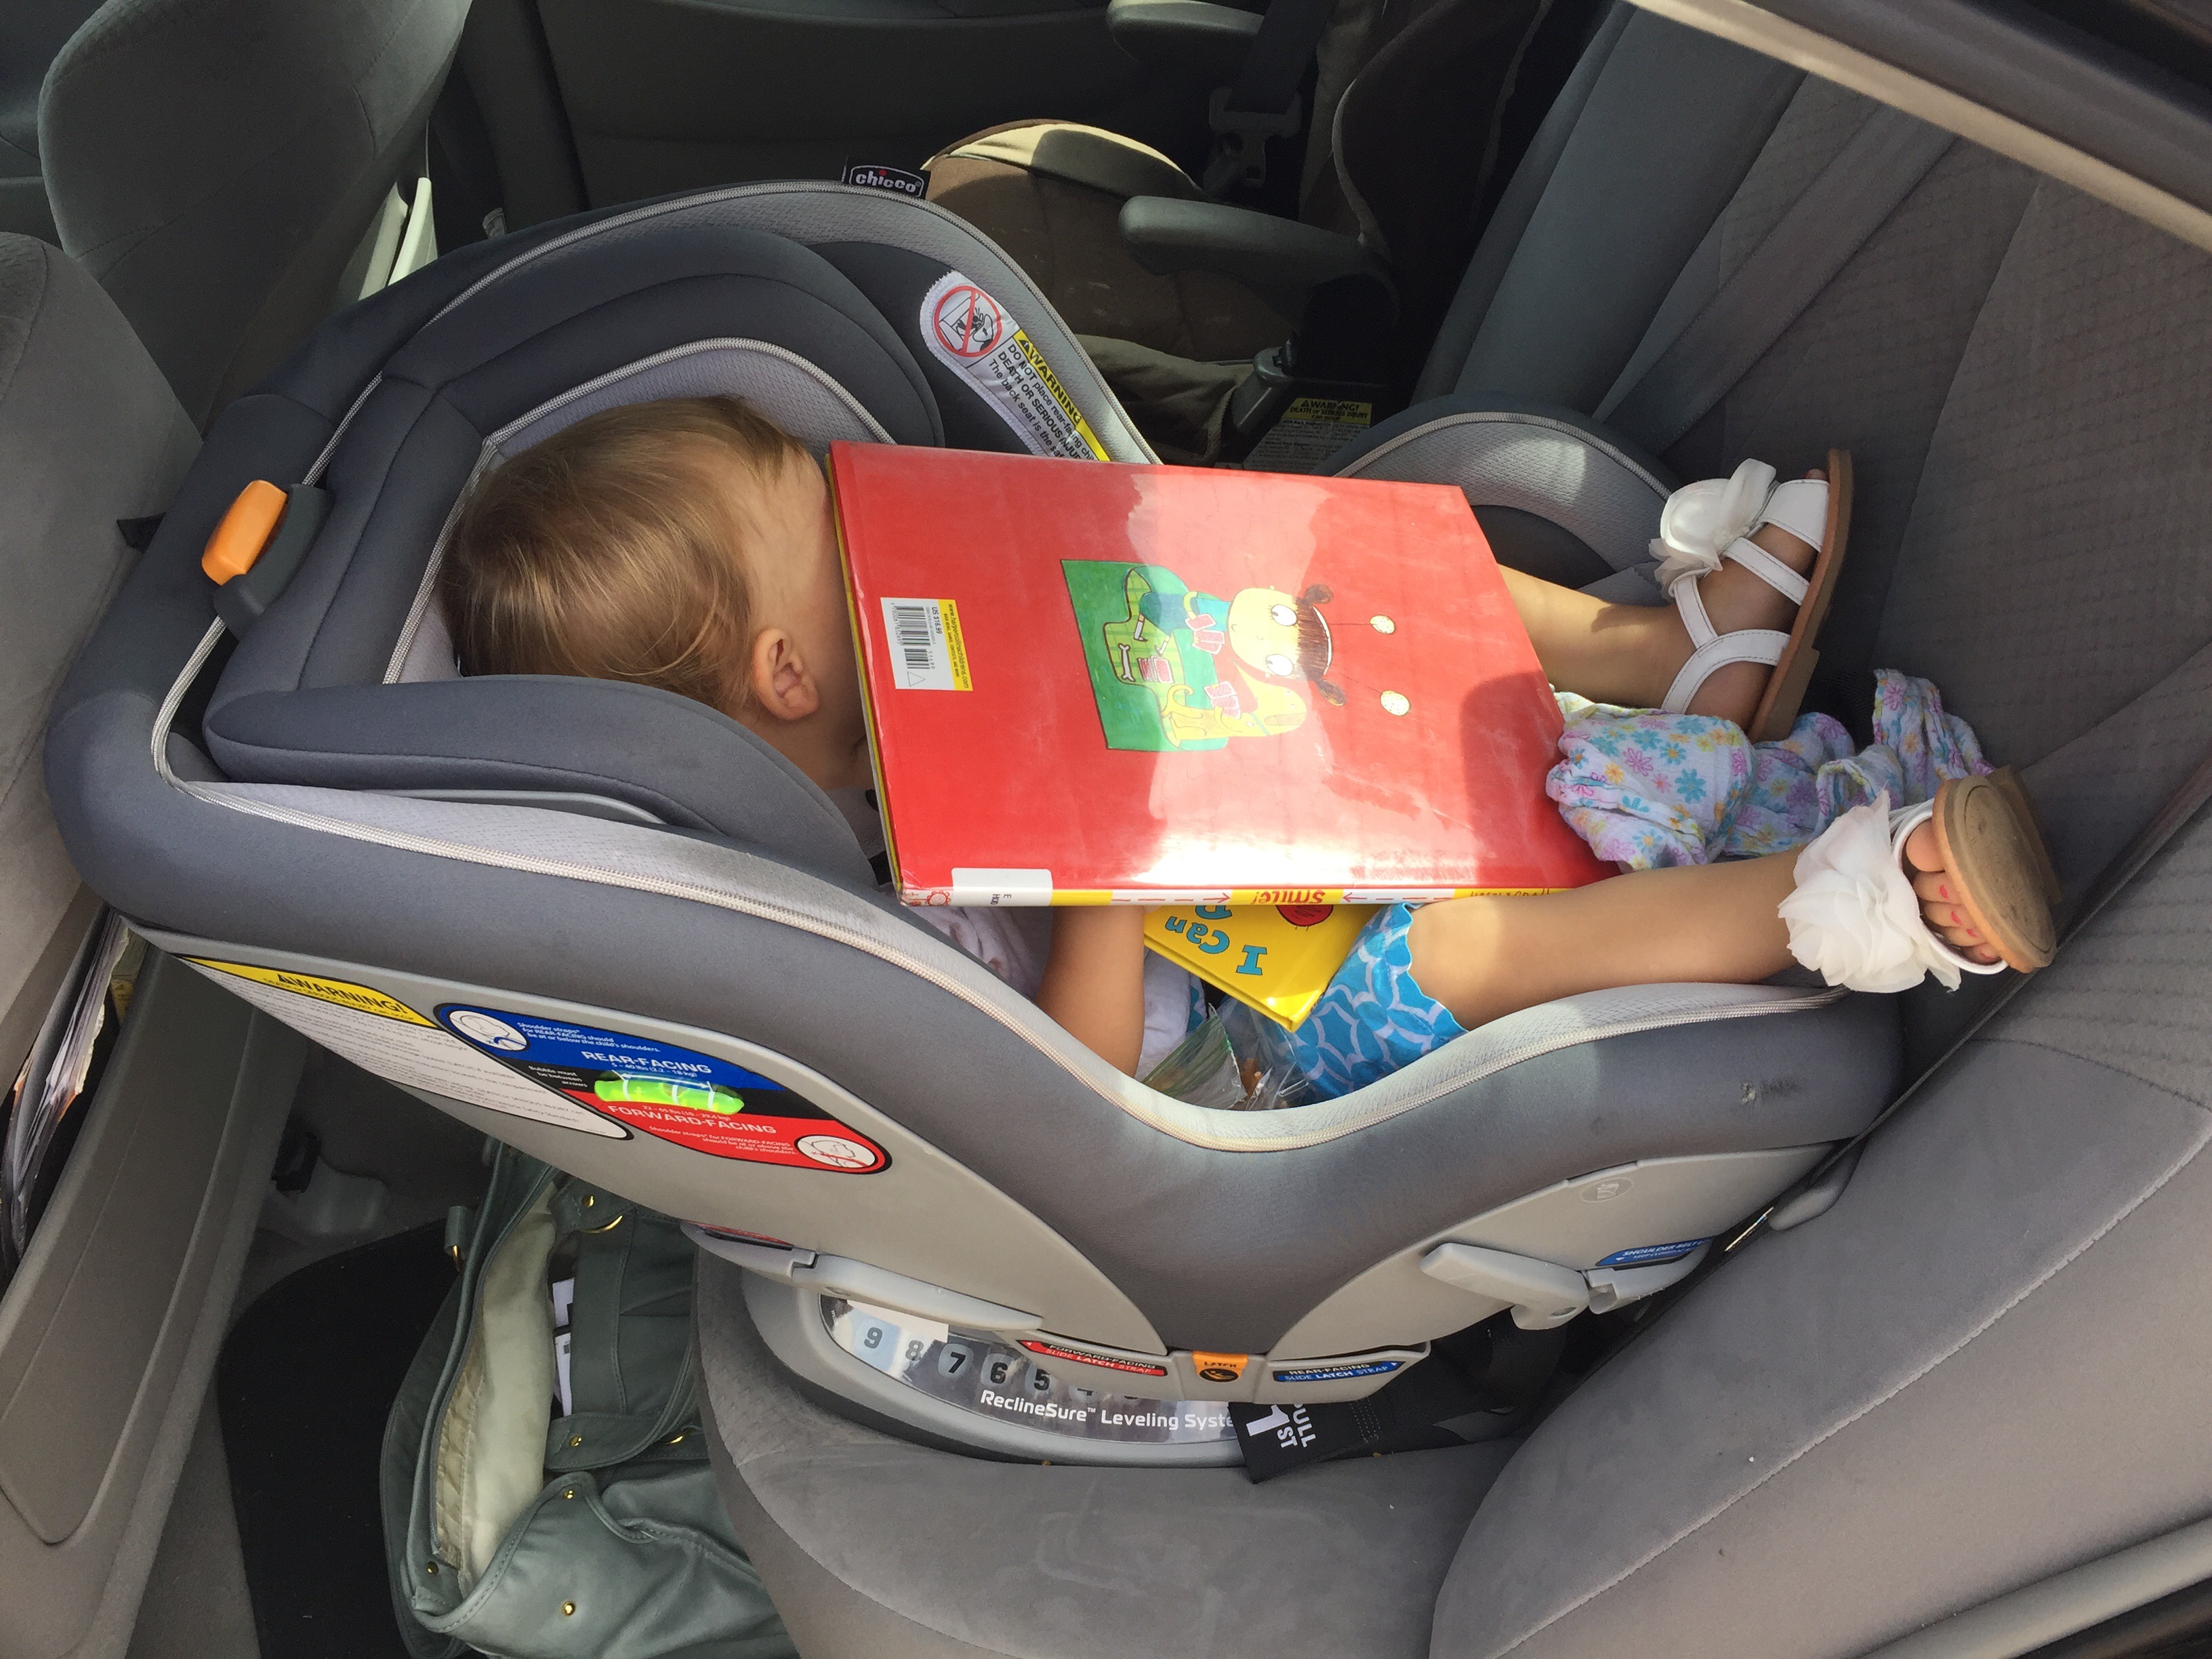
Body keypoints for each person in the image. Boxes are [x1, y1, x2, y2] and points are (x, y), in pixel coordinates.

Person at [439, 396, 2053, 1099]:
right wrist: (1098, 868)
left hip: (1284, 789)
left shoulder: (951, 627)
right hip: (1269, 1010)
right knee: (1471, 952)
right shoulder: (881, 906)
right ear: (787, 672)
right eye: (835, 531)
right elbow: (1085, 1084)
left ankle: (1662, 655)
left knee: (1311, 569)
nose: (879, 526)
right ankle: (1849, 893)